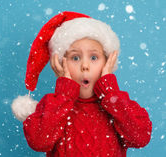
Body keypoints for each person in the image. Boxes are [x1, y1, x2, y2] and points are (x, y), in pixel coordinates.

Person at [11, 11, 152, 157]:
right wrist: (64, 94)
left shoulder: (117, 106)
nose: (85, 65)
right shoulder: (54, 106)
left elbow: (141, 137)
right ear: (60, 64)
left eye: (93, 57)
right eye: (75, 58)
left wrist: (110, 92)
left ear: (108, 62)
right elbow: (39, 141)